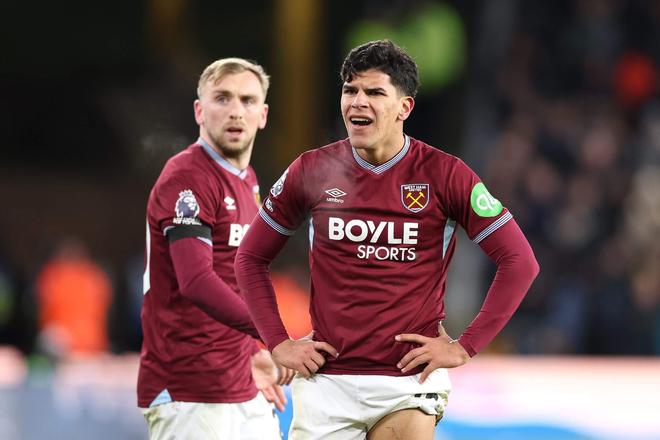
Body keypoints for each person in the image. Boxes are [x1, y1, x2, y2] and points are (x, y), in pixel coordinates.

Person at [235, 40, 540, 440]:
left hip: (408, 381)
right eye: (350, 90)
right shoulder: (311, 170)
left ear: (404, 108)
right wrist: (277, 342)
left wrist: (465, 346)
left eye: (375, 92)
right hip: (326, 381)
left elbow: (519, 261)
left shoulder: (445, 175)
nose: (358, 102)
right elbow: (250, 258)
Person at [138, 57, 293, 440]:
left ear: (263, 115)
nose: (236, 110)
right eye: (222, 98)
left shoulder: (247, 180)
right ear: (199, 111)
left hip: (240, 382)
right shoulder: (187, 177)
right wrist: (274, 335)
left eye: (247, 100)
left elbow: (233, 278)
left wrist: (252, 350)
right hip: (190, 389)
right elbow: (197, 281)